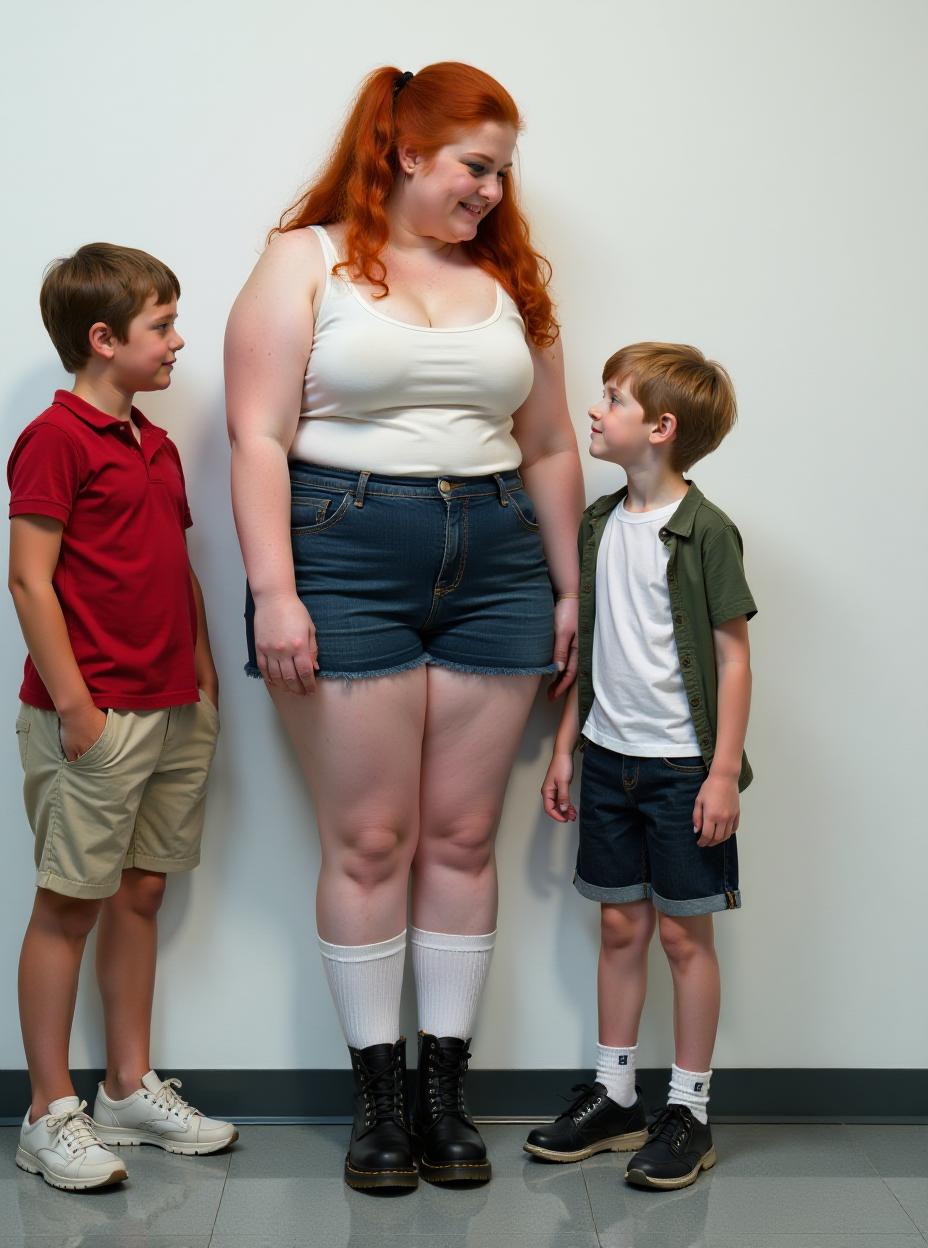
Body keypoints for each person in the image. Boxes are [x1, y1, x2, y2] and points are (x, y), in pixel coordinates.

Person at [225, 62, 583, 1191]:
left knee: (463, 840)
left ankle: (444, 1095)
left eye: (502, 171)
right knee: (372, 838)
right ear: (407, 151)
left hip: (497, 560)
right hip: (340, 552)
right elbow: (254, 438)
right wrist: (275, 590)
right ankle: (376, 1100)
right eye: (475, 166)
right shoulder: (307, 259)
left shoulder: (510, 276)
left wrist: (569, 588)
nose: (489, 190)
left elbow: (550, 445)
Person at [9, 243, 235, 1192]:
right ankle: (47, 1112)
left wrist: (204, 678)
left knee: (141, 894)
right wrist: (76, 710)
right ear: (103, 340)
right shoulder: (53, 440)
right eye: (163, 327)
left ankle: (126, 1088)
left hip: (174, 711)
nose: (180, 342)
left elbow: (173, 568)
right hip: (94, 716)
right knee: (70, 906)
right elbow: (28, 578)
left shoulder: (157, 443)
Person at [524, 342, 756, 1191]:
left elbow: (733, 659)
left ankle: (688, 1108)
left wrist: (722, 771)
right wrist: (563, 749)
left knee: (684, 936)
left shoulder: (706, 531)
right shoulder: (597, 522)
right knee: (619, 927)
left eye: (611, 399)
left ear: (659, 428)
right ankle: (616, 1093)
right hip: (610, 764)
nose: (594, 409)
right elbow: (586, 648)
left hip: (683, 772)